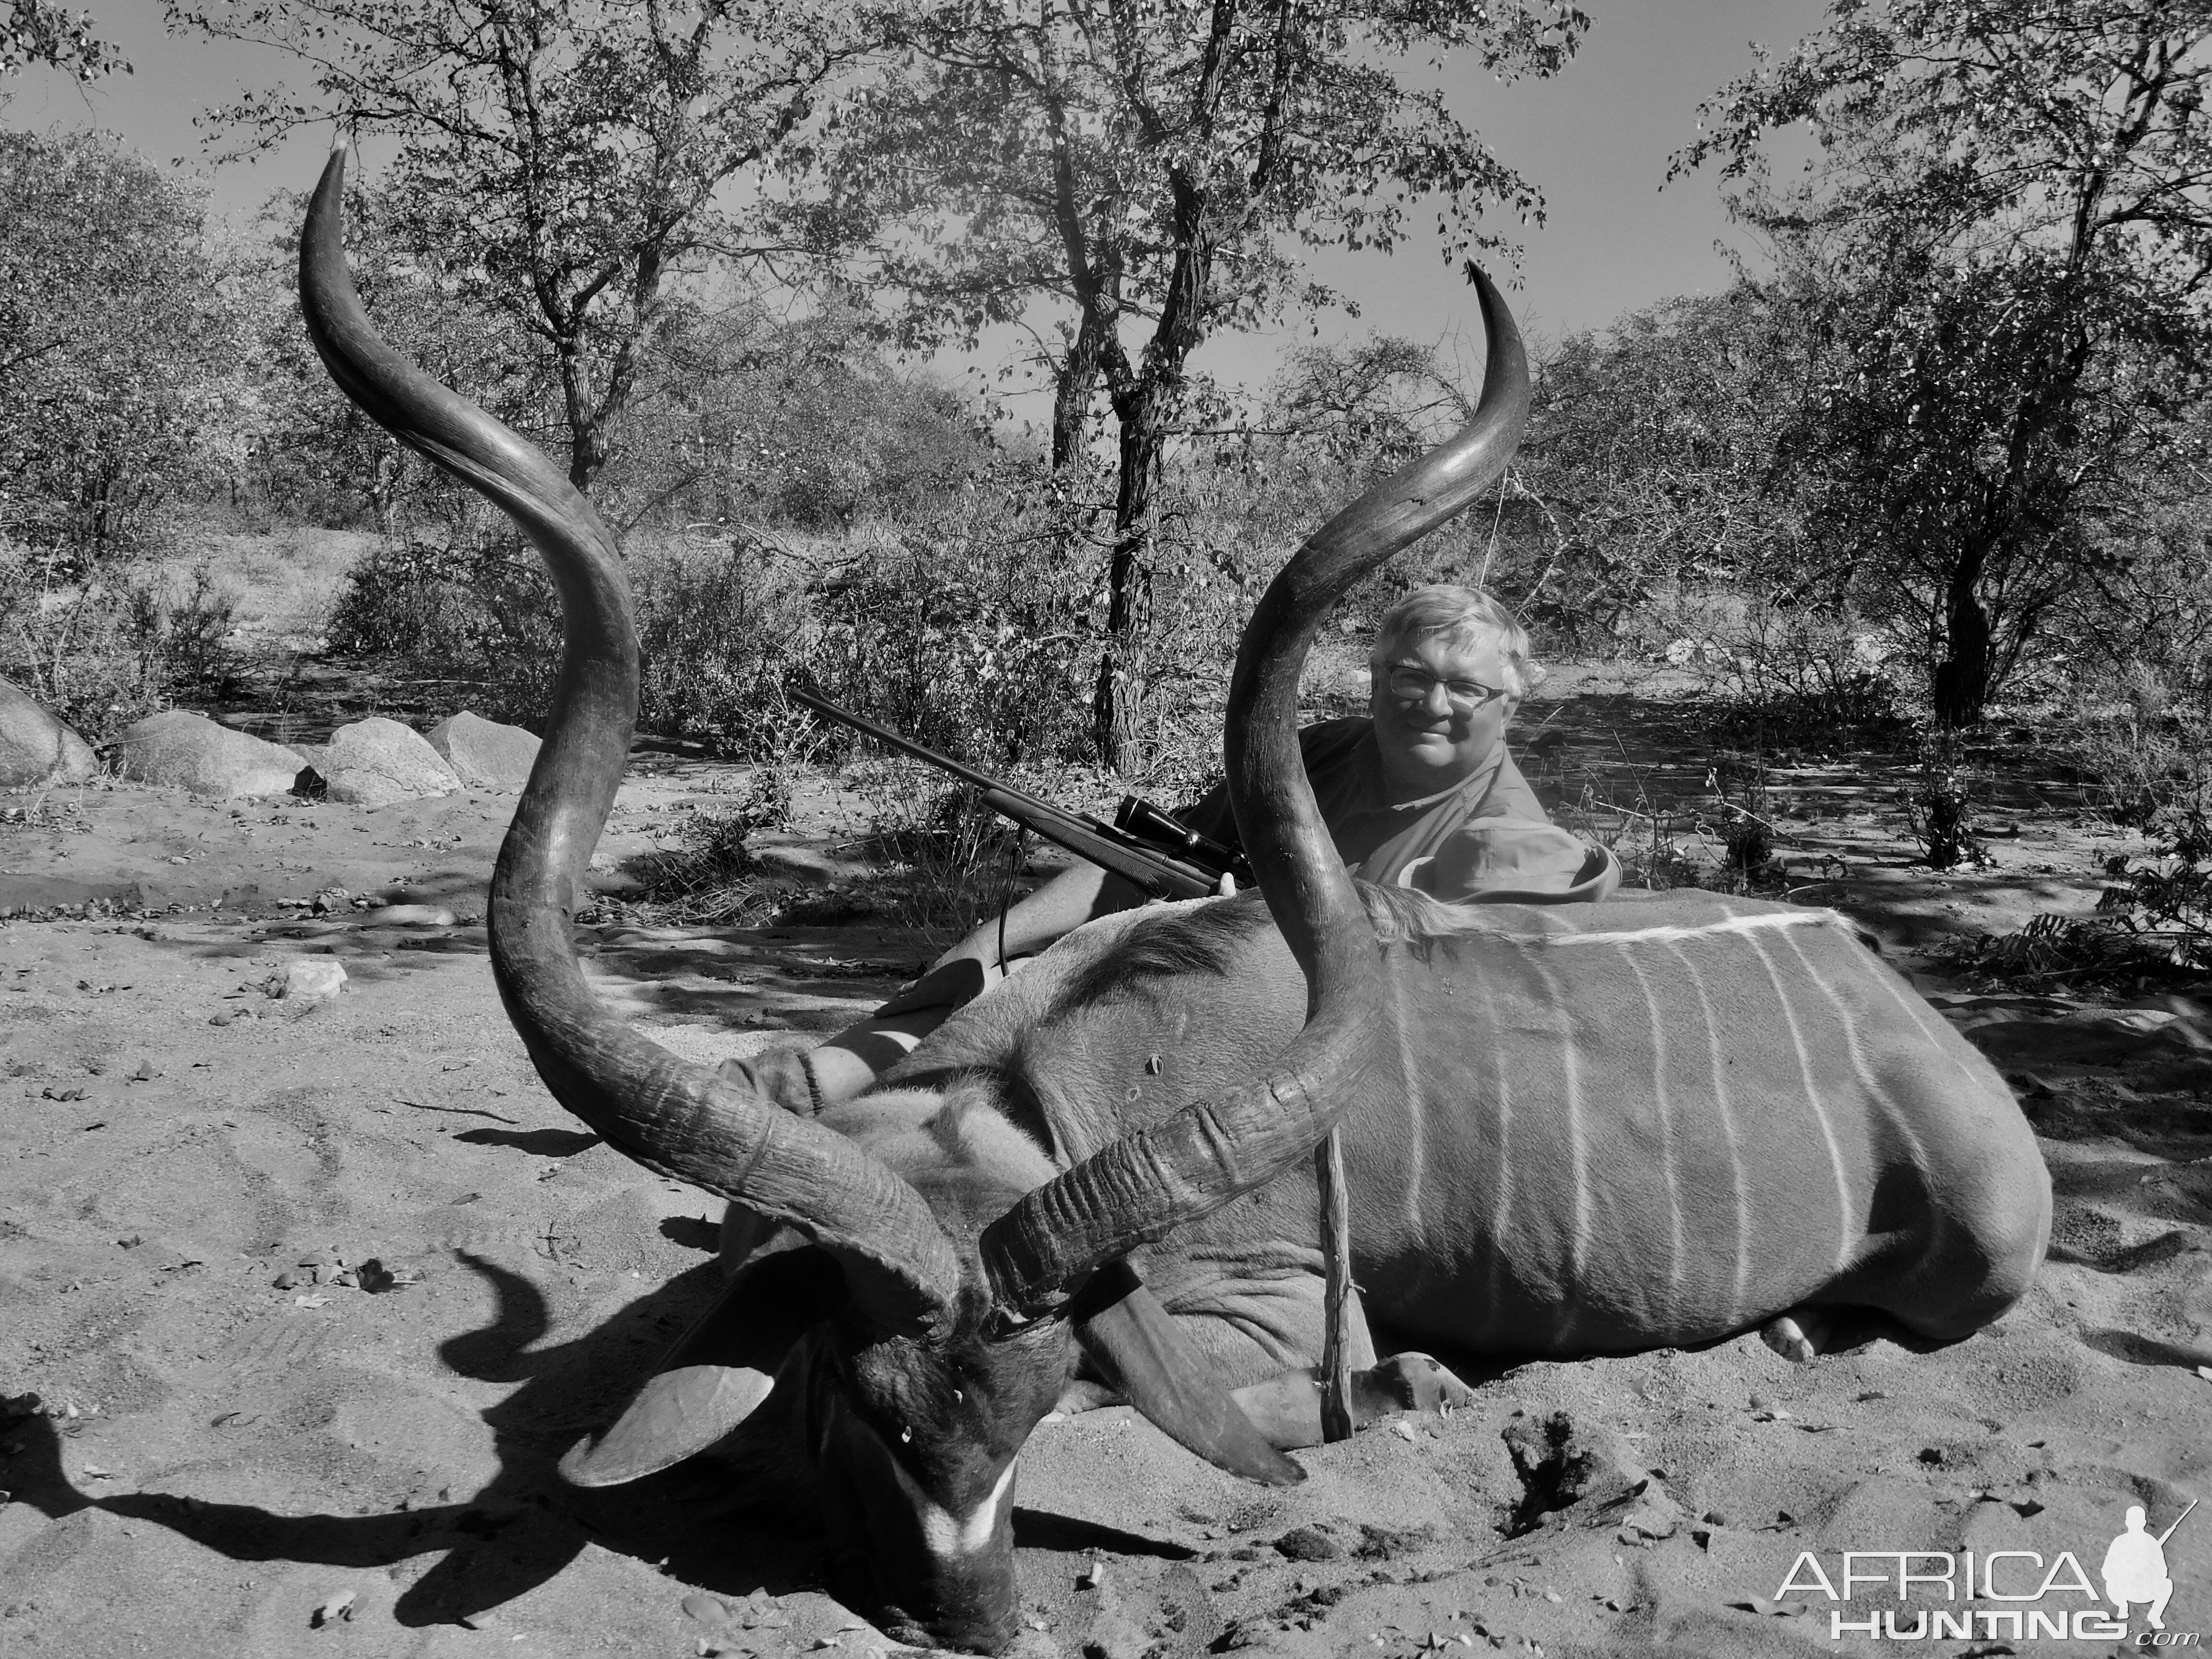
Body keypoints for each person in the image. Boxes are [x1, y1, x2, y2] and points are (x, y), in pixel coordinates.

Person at [784, 584, 1615, 1107]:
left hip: (1319, 1076)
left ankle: (849, 1096)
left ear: (1511, 704)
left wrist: (1256, 935)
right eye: (1409, 674)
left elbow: (1457, 1035)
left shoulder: (1508, 845)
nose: (1432, 702)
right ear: (1376, 674)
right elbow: (1140, 865)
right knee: (1002, 971)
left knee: (1056, 1010)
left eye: (1467, 687)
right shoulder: (1325, 752)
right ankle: (827, 1079)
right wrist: (980, 944)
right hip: (1201, 1001)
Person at [2102, 1505, 2176, 1630]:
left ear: (2144, 1523)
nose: (2135, 1524)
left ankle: (2155, 1615)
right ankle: (2123, 1606)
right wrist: (2123, 1573)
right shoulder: (2120, 1542)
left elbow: (2163, 1571)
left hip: (2145, 1589)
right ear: (2127, 1523)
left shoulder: (2151, 1542)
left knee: (2167, 1584)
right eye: (2132, 1521)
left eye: (2138, 1521)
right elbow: (2107, 1569)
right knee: (2111, 1583)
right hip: (2123, 1589)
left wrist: (2148, 1571)